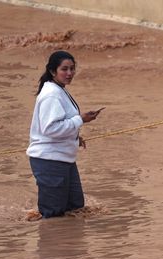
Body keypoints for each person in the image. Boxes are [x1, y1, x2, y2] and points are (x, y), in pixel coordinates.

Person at [26, 50, 103, 219]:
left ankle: (71, 243)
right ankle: (53, 242)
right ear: (53, 71)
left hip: (63, 160)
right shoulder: (52, 94)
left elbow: (57, 125)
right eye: (64, 69)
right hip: (50, 161)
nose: (69, 73)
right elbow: (51, 129)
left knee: (75, 207)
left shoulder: (58, 89)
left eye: (72, 69)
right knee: (53, 215)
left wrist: (74, 137)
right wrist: (80, 120)